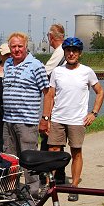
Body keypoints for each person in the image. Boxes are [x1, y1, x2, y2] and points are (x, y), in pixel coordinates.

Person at [41, 37, 104, 201]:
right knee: (53, 151)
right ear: (64, 52)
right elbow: (50, 95)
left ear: (80, 53)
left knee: (76, 152)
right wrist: (46, 117)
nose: (71, 53)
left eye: (74, 51)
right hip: (58, 118)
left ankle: (74, 186)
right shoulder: (57, 71)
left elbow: (100, 92)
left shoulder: (87, 71)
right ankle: (50, 185)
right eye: (68, 50)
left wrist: (94, 113)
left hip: (77, 120)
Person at [2, 32, 50, 196]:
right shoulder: (8, 63)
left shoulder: (36, 65)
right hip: (8, 120)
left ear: (26, 46)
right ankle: (12, 190)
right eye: (13, 46)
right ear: (9, 48)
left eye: (20, 46)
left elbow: (48, 93)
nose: (16, 49)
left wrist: (45, 118)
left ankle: (33, 192)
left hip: (27, 122)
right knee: (10, 159)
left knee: (29, 159)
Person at [42, 23, 67, 183]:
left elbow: (44, 73)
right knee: (58, 141)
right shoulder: (68, 50)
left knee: (49, 139)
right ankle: (59, 174)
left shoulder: (59, 52)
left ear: (51, 37)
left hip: (56, 103)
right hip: (64, 103)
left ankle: (50, 175)